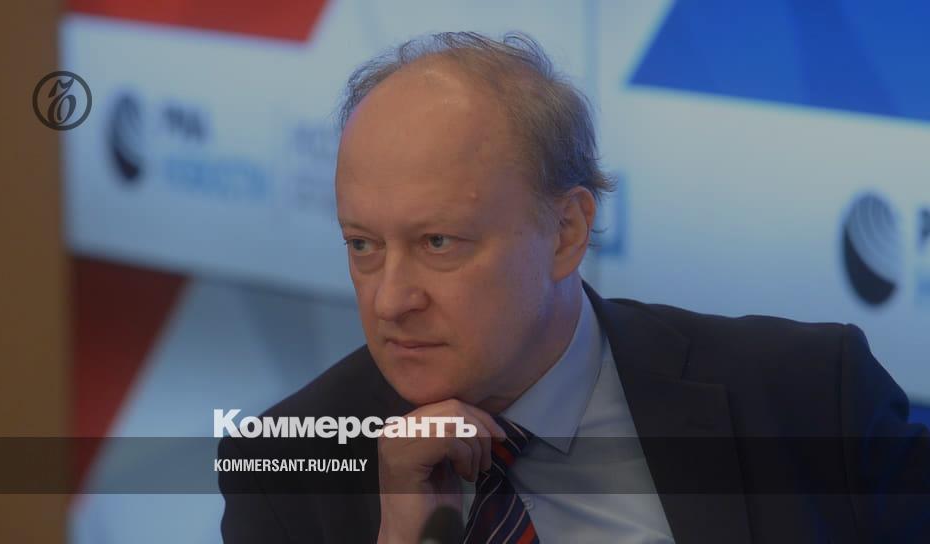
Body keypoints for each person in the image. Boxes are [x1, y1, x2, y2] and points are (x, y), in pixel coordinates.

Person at [218, 32, 930, 543]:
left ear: (566, 232)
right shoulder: (285, 470)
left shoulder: (810, 395)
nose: (390, 300)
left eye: (438, 243)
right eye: (363, 246)